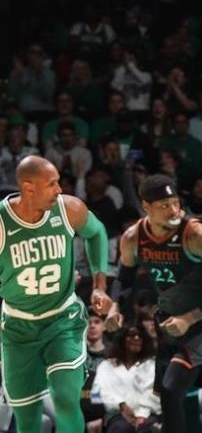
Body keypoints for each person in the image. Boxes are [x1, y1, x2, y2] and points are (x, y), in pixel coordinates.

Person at [105, 174, 202, 433]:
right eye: (164, 205)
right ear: (146, 207)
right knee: (184, 398)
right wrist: (114, 306)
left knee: (170, 389)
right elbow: (124, 278)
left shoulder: (196, 234)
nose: (173, 210)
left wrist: (190, 318)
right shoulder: (133, 237)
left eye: (175, 203)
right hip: (169, 317)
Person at [0, 156, 113, 433]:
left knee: (65, 399)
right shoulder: (2, 223)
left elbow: (96, 232)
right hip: (18, 326)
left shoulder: (68, 209)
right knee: (27, 418)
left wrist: (100, 284)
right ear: (29, 188)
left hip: (63, 319)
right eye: (51, 184)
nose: (59, 189)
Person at [91, 325, 160, 433]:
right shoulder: (106, 366)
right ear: (122, 339)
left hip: (148, 415)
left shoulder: (151, 365)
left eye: (140, 336)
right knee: (121, 428)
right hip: (116, 415)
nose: (136, 339)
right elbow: (98, 393)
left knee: (148, 428)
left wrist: (142, 414)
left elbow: (154, 393)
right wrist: (120, 404)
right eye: (131, 336)